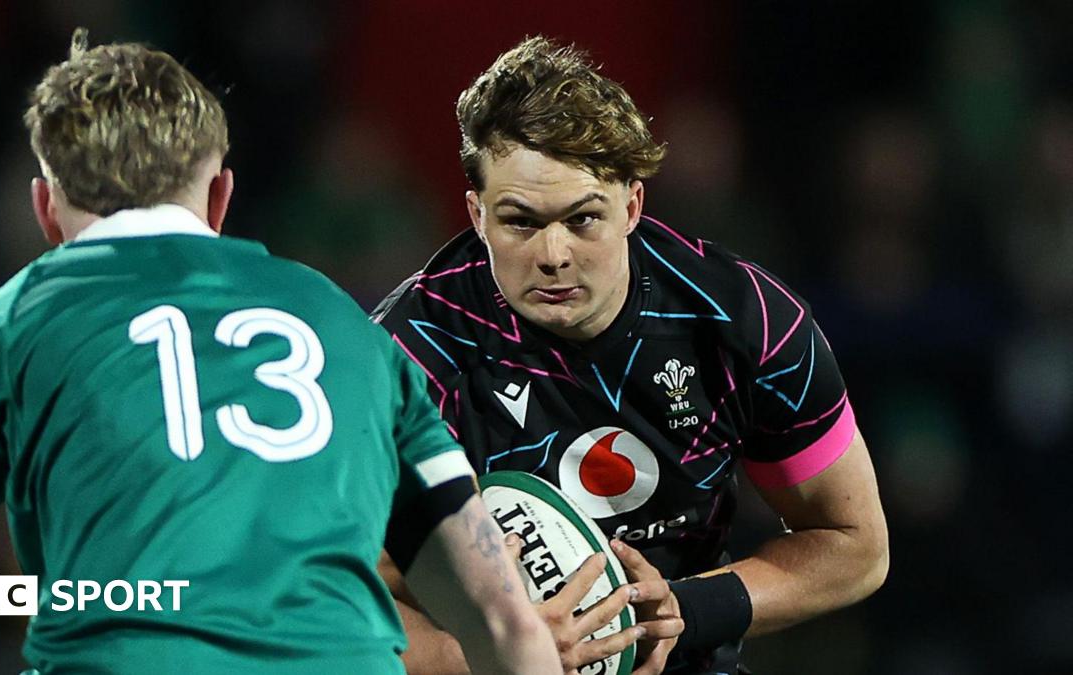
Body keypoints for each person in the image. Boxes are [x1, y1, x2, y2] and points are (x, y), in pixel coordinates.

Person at [0, 31, 563, 675]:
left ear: (45, 207)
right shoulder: (349, 326)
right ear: (221, 196)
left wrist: (37, 595)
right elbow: (507, 625)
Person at [373, 36, 890, 675]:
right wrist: (493, 655)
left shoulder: (745, 320)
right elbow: (332, 582)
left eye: (583, 219)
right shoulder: (402, 360)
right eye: (520, 222)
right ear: (477, 215)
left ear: (632, 206)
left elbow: (854, 545)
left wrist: (686, 609)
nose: (553, 254)